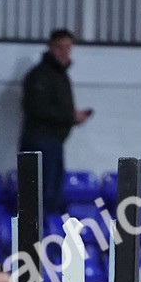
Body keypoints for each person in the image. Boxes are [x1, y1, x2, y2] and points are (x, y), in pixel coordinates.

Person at [19, 28, 92, 216]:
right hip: (42, 141)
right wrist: (70, 117)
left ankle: (48, 236)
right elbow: (37, 108)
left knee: (53, 193)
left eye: (68, 48)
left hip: (54, 141)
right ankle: (38, 238)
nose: (65, 52)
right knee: (43, 194)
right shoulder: (40, 76)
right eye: (60, 47)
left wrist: (70, 116)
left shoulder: (59, 75)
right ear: (51, 47)